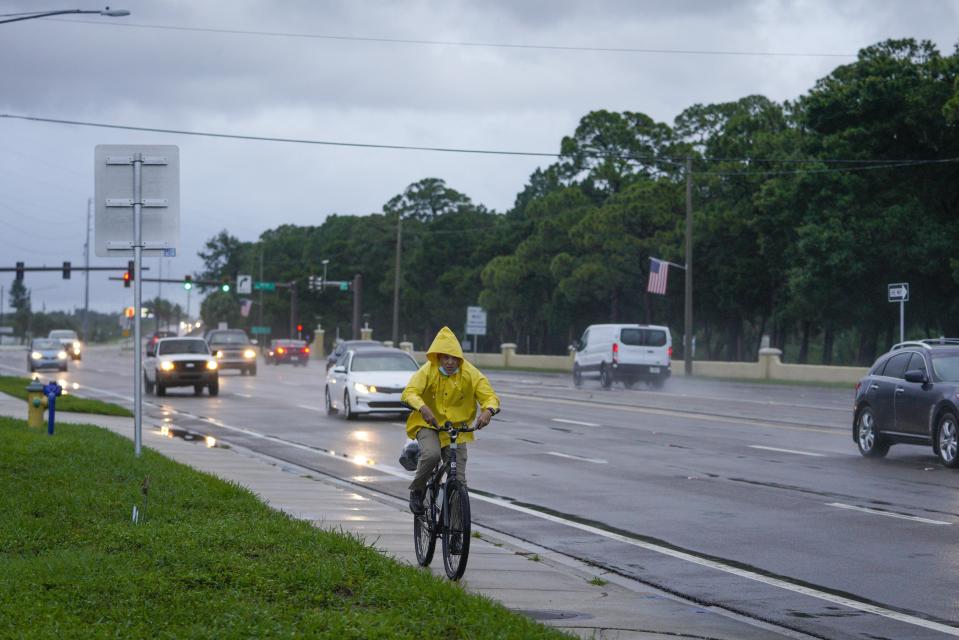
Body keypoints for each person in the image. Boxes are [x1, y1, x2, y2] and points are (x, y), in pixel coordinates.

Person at [401, 326, 500, 515]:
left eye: (454, 358)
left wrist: (488, 411)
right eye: (445, 357)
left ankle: (455, 535)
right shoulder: (427, 371)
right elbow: (409, 393)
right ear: (437, 357)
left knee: (459, 481)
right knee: (431, 455)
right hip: (428, 425)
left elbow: (489, 396)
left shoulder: (470, 373)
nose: (449, 362)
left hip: (456, 430)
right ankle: (418, 489)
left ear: (459, 359)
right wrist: (423, 408)